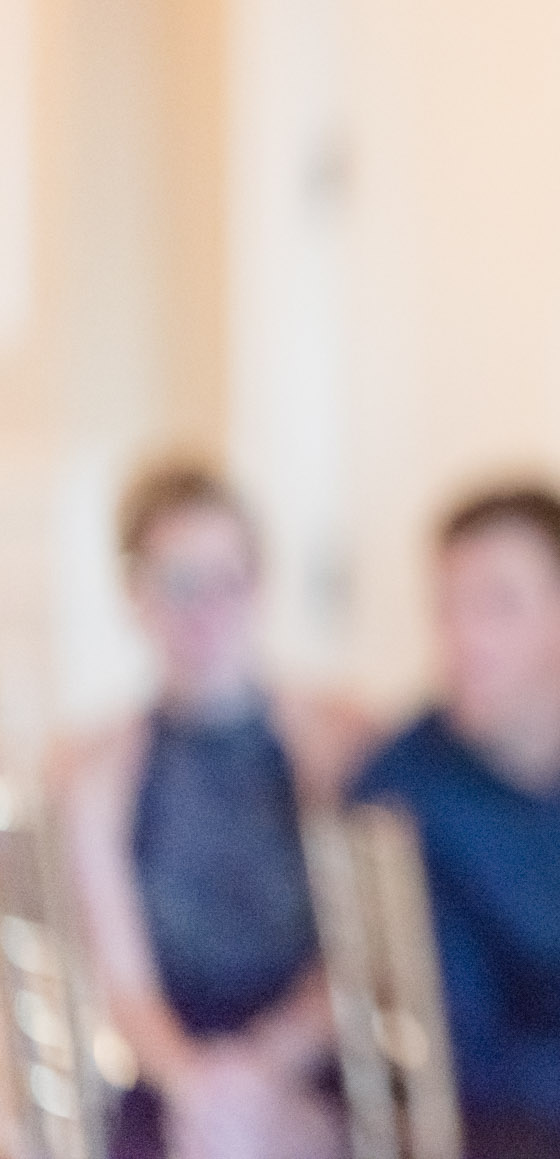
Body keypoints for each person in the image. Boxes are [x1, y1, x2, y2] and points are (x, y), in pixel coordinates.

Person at [351, 486, 560, 1159]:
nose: (465, 638)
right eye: (449, 607)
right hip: (535, 1123)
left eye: (498, 604)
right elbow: (466, 1038)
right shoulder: (402, 790)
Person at [55, 463, 368, 1159]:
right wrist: (195, 1083)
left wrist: (260, 1068)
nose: (206, 609)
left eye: (227, 580)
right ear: (135, 593)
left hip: (313, 1062)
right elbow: (124, 983)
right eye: (178, 583)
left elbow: (355, 955)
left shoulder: (336, 743)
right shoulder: (95, 774)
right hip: (166, 1072)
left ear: (258, 586)